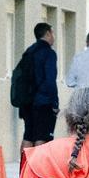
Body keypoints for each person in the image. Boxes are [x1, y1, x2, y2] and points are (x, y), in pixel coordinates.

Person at [19, 22, 60, 156]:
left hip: (27, 102)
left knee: (28, 135)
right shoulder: (49, 53)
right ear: (47, 33)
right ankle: (39, 172)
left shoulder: (29, 51)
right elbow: (50, 80)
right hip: (43, 102)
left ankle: (24, 170)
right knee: (41, 137)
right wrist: (55, 103)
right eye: (52, 33)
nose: (53, 36)